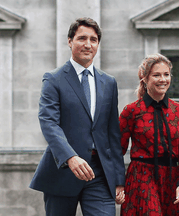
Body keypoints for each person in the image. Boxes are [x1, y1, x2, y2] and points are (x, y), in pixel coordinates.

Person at [29, 17, 125, 216]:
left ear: (98, 44)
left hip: (99, 173)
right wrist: (70, 157)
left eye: (93, 39)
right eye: (82, 38)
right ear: (70, 41)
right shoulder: (53, 79)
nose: (88, 44)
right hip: (62, 171)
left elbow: (112, 134)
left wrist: (118, 179)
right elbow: (49, 122)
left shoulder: (109, 83)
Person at [119, 53, 179, 216]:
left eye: (166, 74)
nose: (163, 79)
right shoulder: (132, 111)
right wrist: (117, 183)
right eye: (156, 75)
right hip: (142, 177)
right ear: (145, 79)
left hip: (171, 179)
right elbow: (115, 149)